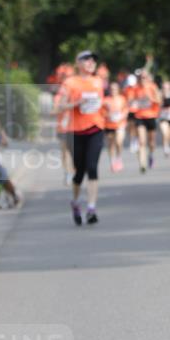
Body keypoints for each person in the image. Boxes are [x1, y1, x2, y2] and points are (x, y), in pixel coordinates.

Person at [57, 50, 105, 225]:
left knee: (92, 168)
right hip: (76, 131)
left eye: (93, 60)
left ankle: (91, 208)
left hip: (96, 129)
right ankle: (76, 202)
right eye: (86, 59)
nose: (91, 62)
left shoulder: (99, 82)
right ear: (78, 63)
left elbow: (100, 104)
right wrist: (76, 104)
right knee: (79, 173)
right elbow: (61, 105)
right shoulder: (70, 83)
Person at [128, 69, 162, 172]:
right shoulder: (135, 89)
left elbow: (159, 101)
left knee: (151, 142)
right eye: (140, 77)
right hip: (140, 117)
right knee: (142, 141)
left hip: (151, 116)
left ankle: (151, 155)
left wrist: (151, 98)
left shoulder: (152, 86)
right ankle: (142, 164)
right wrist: (133, 103)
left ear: (147, 78)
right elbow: (130, 102)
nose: (142, 79)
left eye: (144, 77)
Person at [103, 80, 128, 172]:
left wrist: (122, 115)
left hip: (120, 123)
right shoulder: (105, 100)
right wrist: (108, 115)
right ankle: (112, 161)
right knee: (111, 144)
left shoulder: (122, 99)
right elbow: (102, 112)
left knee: (119, 142)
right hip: (109, 125)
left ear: (118, 89)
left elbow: (126, 109)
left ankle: (119, 158)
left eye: (115, 89)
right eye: (112, 89)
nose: (113, 90)